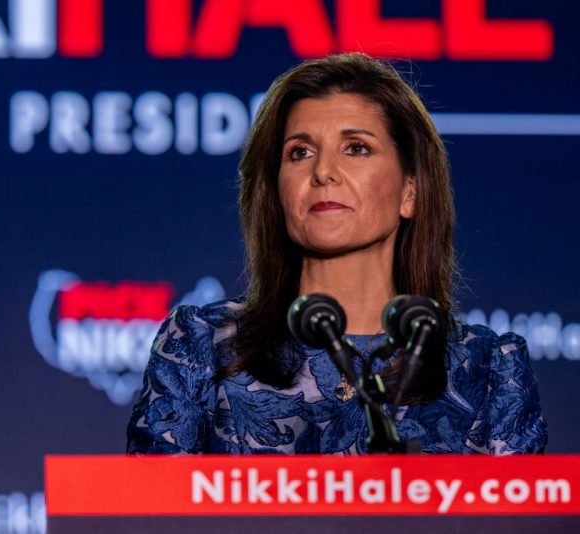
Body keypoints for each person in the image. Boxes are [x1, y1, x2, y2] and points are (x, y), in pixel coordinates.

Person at [126, 53, 547, 454]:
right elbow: (150, 517)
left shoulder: (488, 369)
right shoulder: (201, 347)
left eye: (356, 148)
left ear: (410, 192)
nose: (323, 171)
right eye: (300, 152)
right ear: (277, 192)